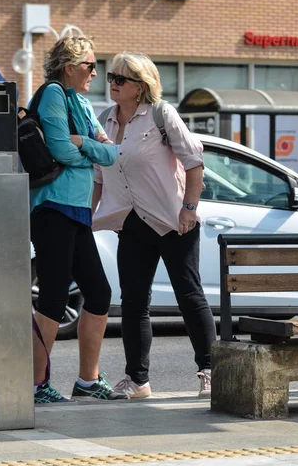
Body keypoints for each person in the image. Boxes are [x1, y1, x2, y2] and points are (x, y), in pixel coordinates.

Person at [92, 52, 216, 399]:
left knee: (189, 295)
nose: (113, 84)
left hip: (172, 220)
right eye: (111, 77)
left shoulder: (161, 114)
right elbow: (99, 177)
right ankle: (137, 380)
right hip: (129, 222)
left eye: (120, 79)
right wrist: (85, 217)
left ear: (140, 86)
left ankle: (210, 370)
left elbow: (194, 161)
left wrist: (189, 208)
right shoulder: (105, 121)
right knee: (132, 301)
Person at [31, 35, 128, 403]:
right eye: (90, 65)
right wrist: (88, 149)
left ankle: (88, 380)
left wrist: (82, 144)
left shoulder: (83, 103)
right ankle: (36, 384)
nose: (96, 72)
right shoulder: (54, 94)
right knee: (54, 297)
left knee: (99, 292)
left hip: (76, 209)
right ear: (69, 67)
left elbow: (112, 153)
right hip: (52, 206)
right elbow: (58, 149)